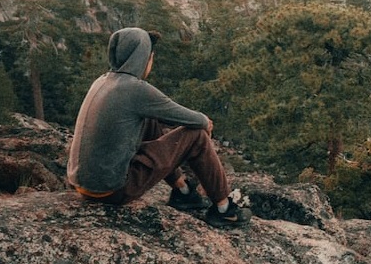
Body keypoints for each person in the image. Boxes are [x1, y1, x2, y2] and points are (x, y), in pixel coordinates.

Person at [67, 27, 250, 228]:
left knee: (150, 120)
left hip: (83, 185)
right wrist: (205, 122)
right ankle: (224, 210)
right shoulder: (135, 89)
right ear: (142, 58)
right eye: (150, 56)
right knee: (197, 135)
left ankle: (183, 192)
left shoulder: (102, 81)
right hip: (112, 191)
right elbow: (194, 120)